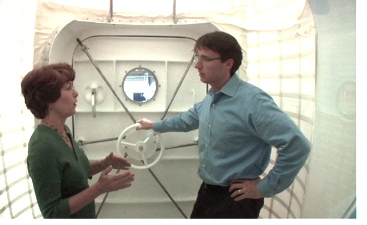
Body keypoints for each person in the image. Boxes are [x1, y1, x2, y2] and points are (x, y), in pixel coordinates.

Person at [136, 31, 310, 218]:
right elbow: (187, 120)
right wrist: (154, 125)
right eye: (197, 57)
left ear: (228, 63)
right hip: (208, 192)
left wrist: (264, 187)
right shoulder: (212, 97)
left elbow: (297, 145)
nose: (197, 65)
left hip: (237, 198)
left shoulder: (254, 102)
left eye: (206, 59)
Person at [21, 63, 135, 218]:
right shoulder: (42, 147)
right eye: (68, 88)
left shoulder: (63, 131)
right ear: (49, 98)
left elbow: (78, 171)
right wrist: (98, 189)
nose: (76, 93)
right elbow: (52, 213)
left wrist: (104, 164)